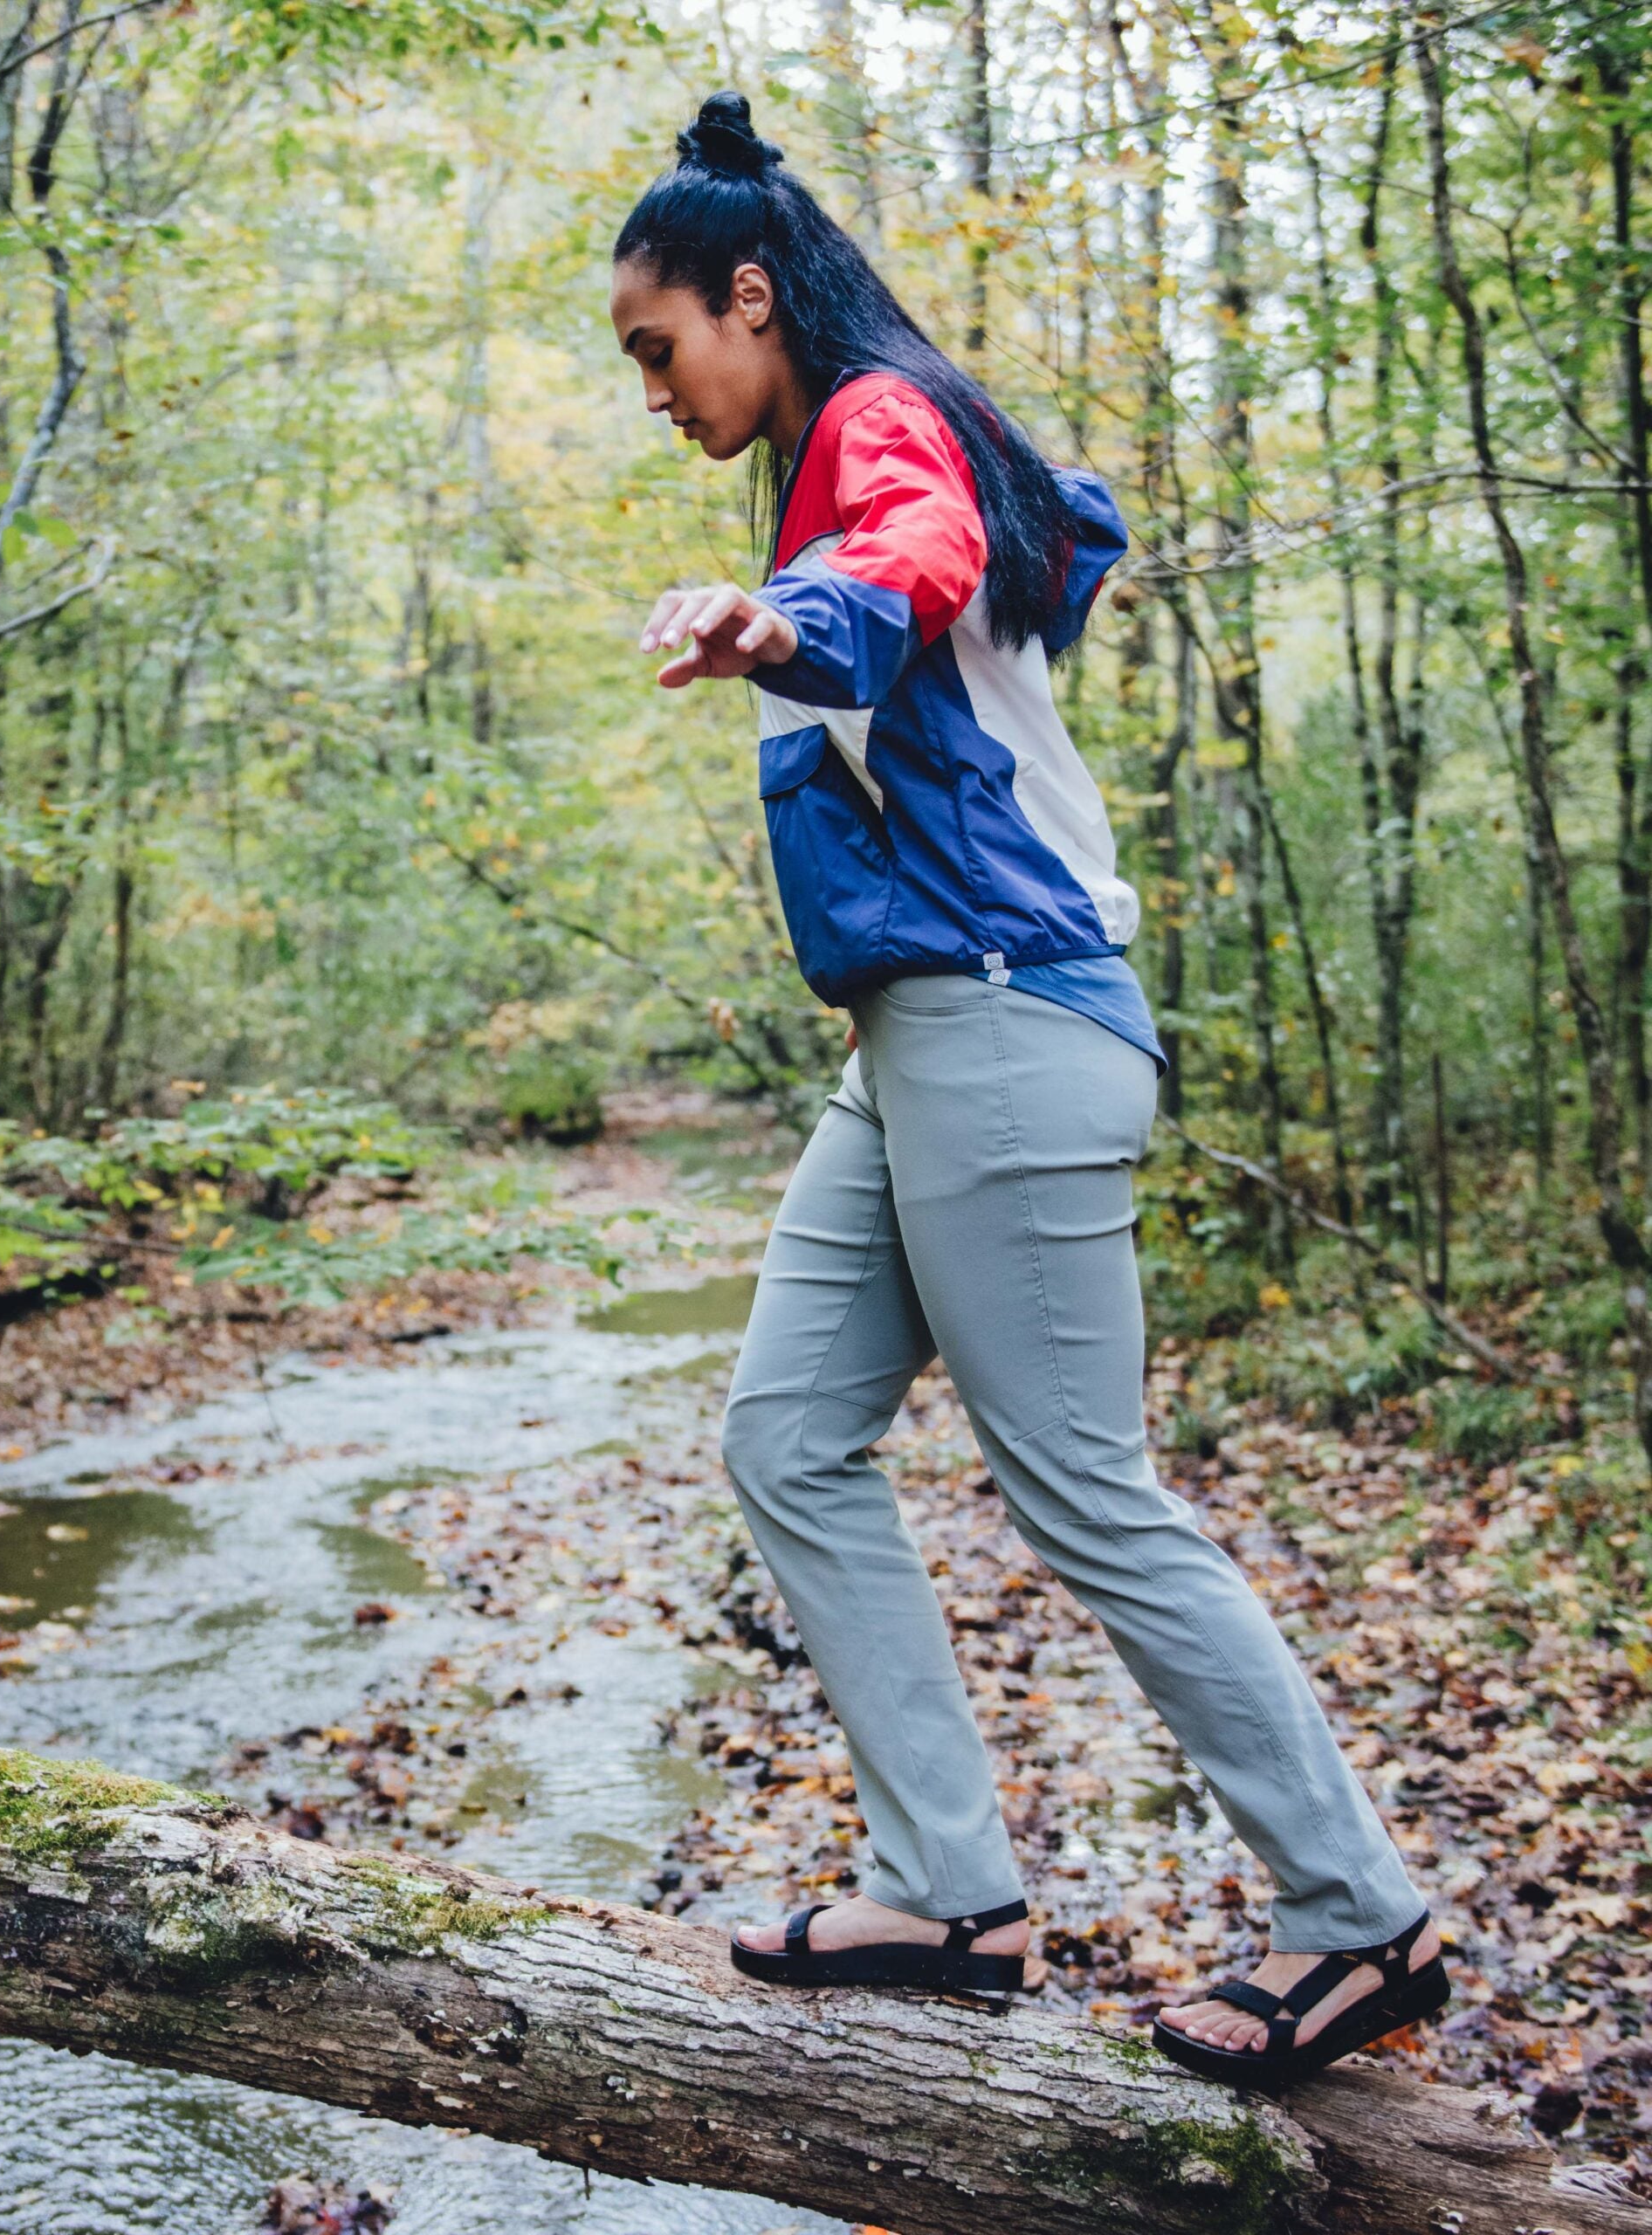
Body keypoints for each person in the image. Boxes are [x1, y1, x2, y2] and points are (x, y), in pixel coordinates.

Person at [609, 90, 1447, 2089]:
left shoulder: (869, 435)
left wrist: (779, 618)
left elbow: (916, 552)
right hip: (912, 1047)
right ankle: (946, 1888)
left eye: (658, 348)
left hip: (1009, 1019)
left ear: (748, 295)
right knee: (787, 1437)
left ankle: (1356, 1915)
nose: (652, 390)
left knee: (1085, 1490)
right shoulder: (823, 462)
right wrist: (788, 597)